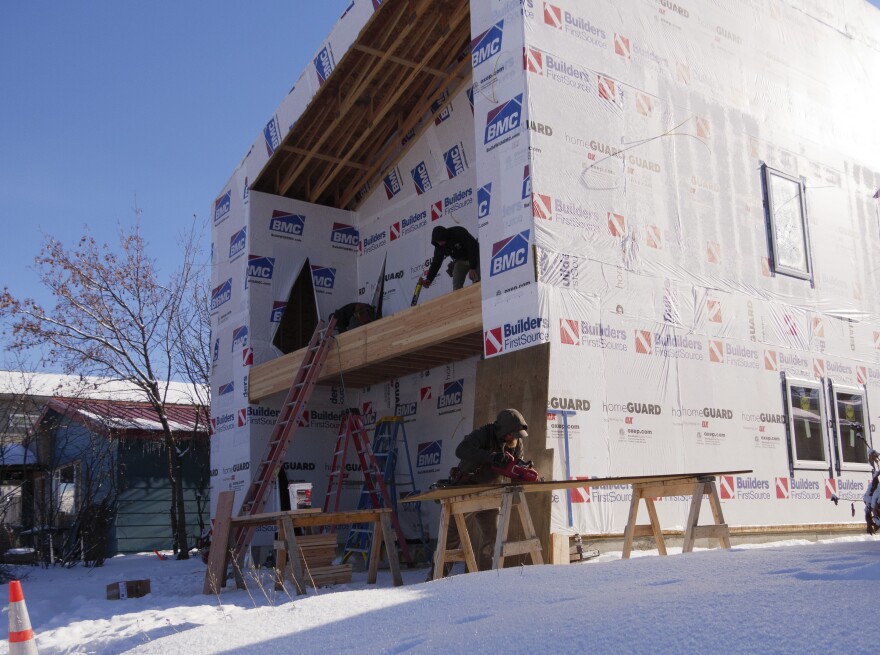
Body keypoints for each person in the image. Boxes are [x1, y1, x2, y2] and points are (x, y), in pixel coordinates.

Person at [443, 409, 531, 573]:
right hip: (467, 488)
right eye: (511, 434)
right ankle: (436, 579)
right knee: (452, 539)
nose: (514, 438)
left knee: (492, 537)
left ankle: (485, 578)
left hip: (490, 491)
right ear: (502, 431)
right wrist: (491, 456)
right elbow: (460, 450)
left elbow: (516, 467)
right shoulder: (483, 433)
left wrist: (525, 474)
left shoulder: (516, 441)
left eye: (516, 435)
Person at [422, 225, 480, 291]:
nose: (439, 243)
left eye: (440, 241)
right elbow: (436, 262)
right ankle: (458, 299)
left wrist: (472, 267)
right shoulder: (439, 246)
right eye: (438, 242)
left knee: (477, 280)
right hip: (460, 261)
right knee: (456, 285)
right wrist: (429, 279)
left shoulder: (458, 232)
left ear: (444, 236)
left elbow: (472, 247)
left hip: (474, 255)